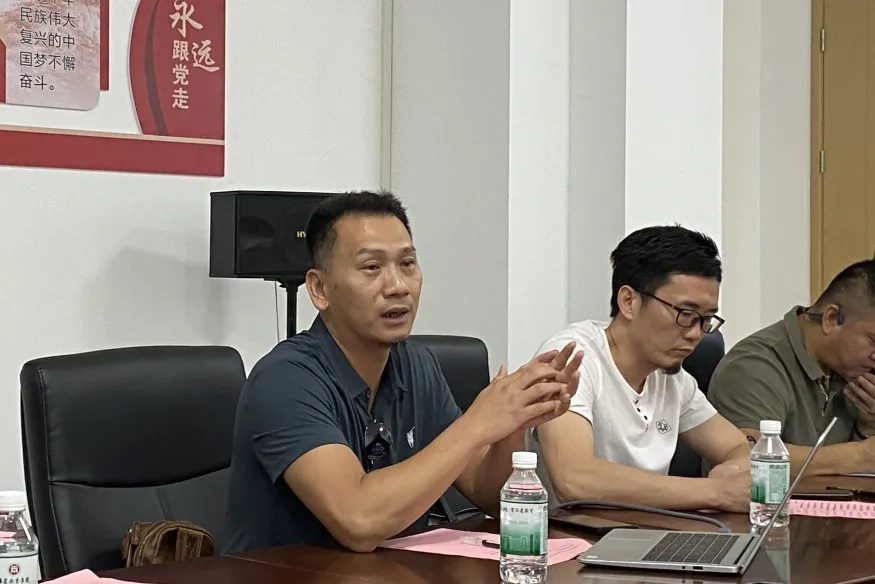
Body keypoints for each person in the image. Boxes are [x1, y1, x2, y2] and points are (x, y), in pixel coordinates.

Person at [221, 190, 582, 553]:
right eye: (371, 267)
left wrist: (513, 423)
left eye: (407, 264)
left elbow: (489, 494)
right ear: (319, 288)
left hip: (388, 581)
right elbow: (358, 519)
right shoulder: (284, 379)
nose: (397, 286)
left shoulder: (417, 365)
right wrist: (478, 423)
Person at [528, 226, 750, 513]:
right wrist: (715, 492)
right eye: (685, 313)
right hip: (567, 534)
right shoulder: (573, 357)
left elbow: (737, 448)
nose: (696, 333)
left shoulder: (672, 377)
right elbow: (575, 479)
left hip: (645, 530)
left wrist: (736, 473)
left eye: (706, 319)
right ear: (629, 301)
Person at [709, 259, 875, 477]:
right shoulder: (754, 365)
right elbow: (748, 460)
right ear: (831, 319)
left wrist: (867, 427)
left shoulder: (855, 370)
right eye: (874, 341)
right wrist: (859, 455)